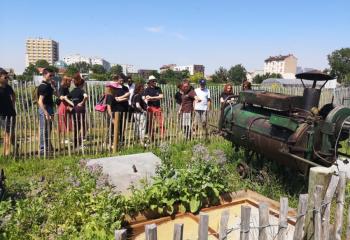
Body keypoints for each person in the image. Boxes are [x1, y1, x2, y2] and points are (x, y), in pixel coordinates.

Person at [38, 68, 57, 155]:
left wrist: (54, 86)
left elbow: (57, 95)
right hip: (44, 108)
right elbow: (40, 101)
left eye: (53, 75)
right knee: (44, 129)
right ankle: (42, 149)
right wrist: (46, 113)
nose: (52, 77)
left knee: (49, 129)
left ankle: (48, 146)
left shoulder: (48, 85)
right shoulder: (43, 86)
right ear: (44, 75)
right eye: (50, 75)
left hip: (50, 107)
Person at [106, 75, 130, 146]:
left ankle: (120, 140)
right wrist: (112, 117)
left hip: (123, 110)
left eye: (123, 80)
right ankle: (111, 141)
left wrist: (119, 98)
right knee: (112, 127)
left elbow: (127, 97)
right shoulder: (112, 92)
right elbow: (109, 105)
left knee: (122, 126)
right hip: (114, 111)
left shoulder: (125, 88)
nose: (122, 82)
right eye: (120, 80)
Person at [67, 73, 88, 148]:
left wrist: (72, 104)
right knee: (83, 126)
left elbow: (65, 98)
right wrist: (82, 103)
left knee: (76, 127)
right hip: (80, 109)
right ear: (81, 84)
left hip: (74, 109)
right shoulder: (81, 90)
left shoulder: (72, 91)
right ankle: (80, 142)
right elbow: (86, 96)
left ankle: (76, 143)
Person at [0, 68, 16, 156]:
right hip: (2, 115)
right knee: (7, 133)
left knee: (11, 132)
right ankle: (6, 153)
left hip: (11, 113)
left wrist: (12, 106)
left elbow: (14, 96)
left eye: (7, 78)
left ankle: (13, 148)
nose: (7, 79)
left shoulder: (8, 87)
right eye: (5, 78)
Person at [143, 75, 164, 140]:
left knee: (161, 122)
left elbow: (161, 96)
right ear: (150, 82)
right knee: (150, 123)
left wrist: (152, 98)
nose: (154, 82)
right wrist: (155, 98)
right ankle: (151, 136)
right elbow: (145, 98)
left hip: (158, 107)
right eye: (153, 81)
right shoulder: (147, 89)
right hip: (150, 108)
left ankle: (162, 136)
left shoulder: (158, 88)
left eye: (155, 81)